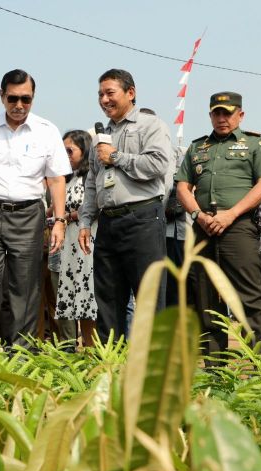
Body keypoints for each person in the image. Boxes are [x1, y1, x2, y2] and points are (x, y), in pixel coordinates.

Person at [0, 69, 70, 348]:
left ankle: (21, 351)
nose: (19, 106)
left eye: (26, 99)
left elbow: (56, 179)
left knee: (25, 285)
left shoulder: (47, 131)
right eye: (13, 98)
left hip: (29, 214)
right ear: (1, 96)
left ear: (33, 98)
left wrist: (59, 220)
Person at [176, 91, 261, 355]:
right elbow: (183, 188)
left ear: (240, 115)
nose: (222, 118)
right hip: (203, 227)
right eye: (217, 113)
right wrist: (198, 215)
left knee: (250, 296)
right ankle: (215, 370)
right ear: (210, 115)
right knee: (205, 297)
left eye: (228, 113)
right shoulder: (197, 147)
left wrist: (230, 214)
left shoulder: (255, 143)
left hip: (239, 226)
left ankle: (259, 367)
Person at [78, 68, 173, 342]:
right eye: (100, 95)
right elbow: (93, 183)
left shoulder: (150, 125)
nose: (104, 100)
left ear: (130, 93)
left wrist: (117, 157)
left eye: (110, 93)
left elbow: (157, 165)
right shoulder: (101, 136)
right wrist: (86, 221)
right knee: (107, 298)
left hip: (142, 218)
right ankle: (112, 366)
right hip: (108, 223)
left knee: (148, 296)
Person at [55, 130, 97, 347]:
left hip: (88, 242)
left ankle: (95, 350)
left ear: (85, 150)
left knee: (90, 296)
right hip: (70, 246)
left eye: (70, 151)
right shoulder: (66, 179)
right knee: (76, 298)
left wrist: (70, 215)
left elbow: (95, 206)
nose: (66, 155)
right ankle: (81, 349)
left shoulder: (92, 177)